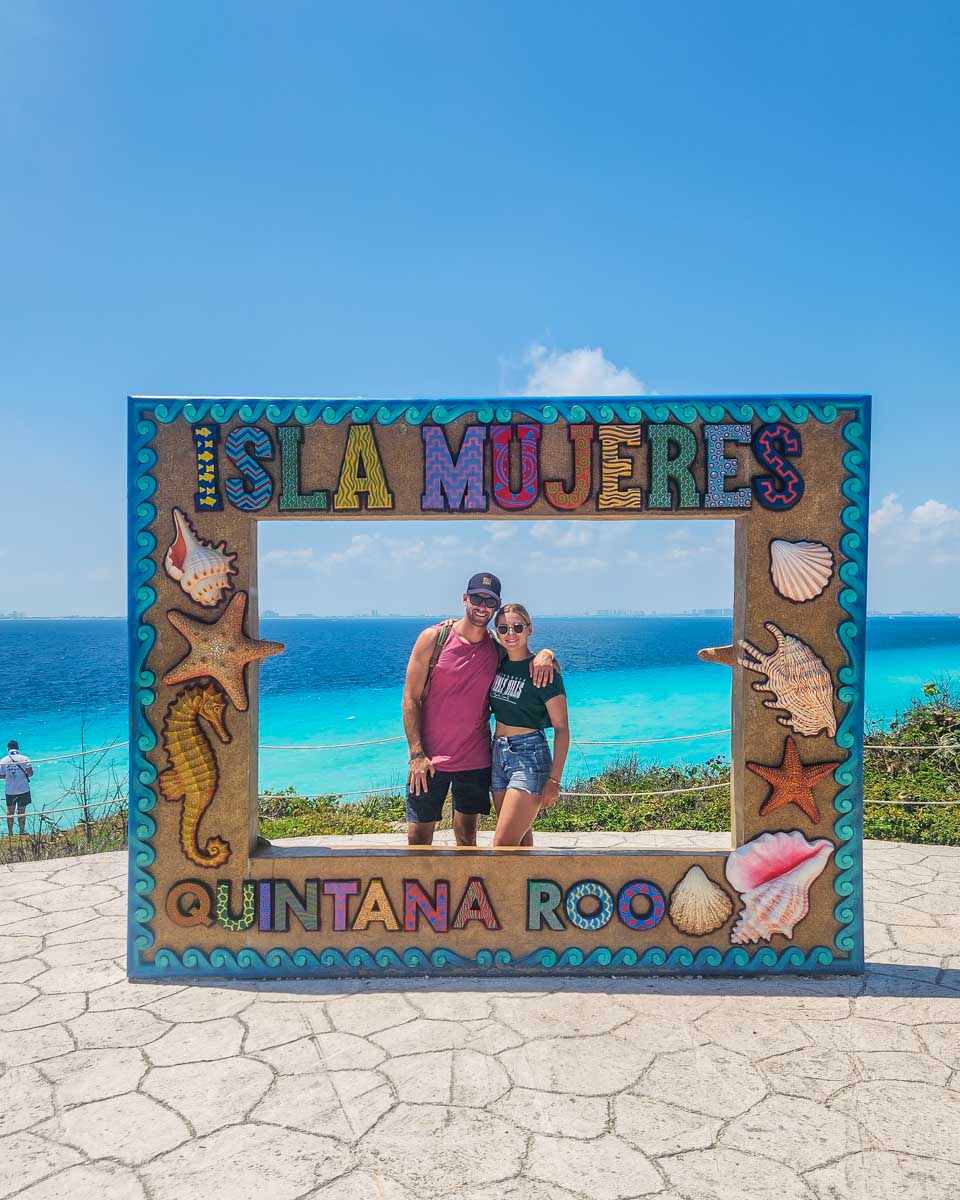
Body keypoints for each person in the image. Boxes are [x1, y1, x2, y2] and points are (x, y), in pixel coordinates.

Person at [402, 573, 556, 846]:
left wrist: (548, 653)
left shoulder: (496, 649)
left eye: (489, 601)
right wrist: (416, 754)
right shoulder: (434, 638)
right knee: (418, 838)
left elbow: (522, 655)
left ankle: (468, 890)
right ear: (465, 599)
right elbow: (411, 699)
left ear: (496, 606)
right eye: (476, 598)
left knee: (466, 837)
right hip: (429, 761)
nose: (482, 606)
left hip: (475, 760)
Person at [489, 604, 570, 847]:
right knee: (520, 840)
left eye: (517, 627)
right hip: (498, 753)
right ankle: (525, 886)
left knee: (502, 845)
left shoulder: (543, 671)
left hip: (529, 756)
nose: (510, 633)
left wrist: (554, 781)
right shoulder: (499, 662)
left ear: (529, 629)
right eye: (503, 628)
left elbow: (562, 728)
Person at [1, 740, 34, 837]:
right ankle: (22, 832)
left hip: (10, 790)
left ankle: (10, 833)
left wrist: (9, 776)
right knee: (21, 812)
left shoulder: (3, 760)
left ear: (8, 749)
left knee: (10, 812)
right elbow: (30, 773)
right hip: (23, 789)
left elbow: (1, 775)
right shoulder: (25, 758)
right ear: (18, 748)